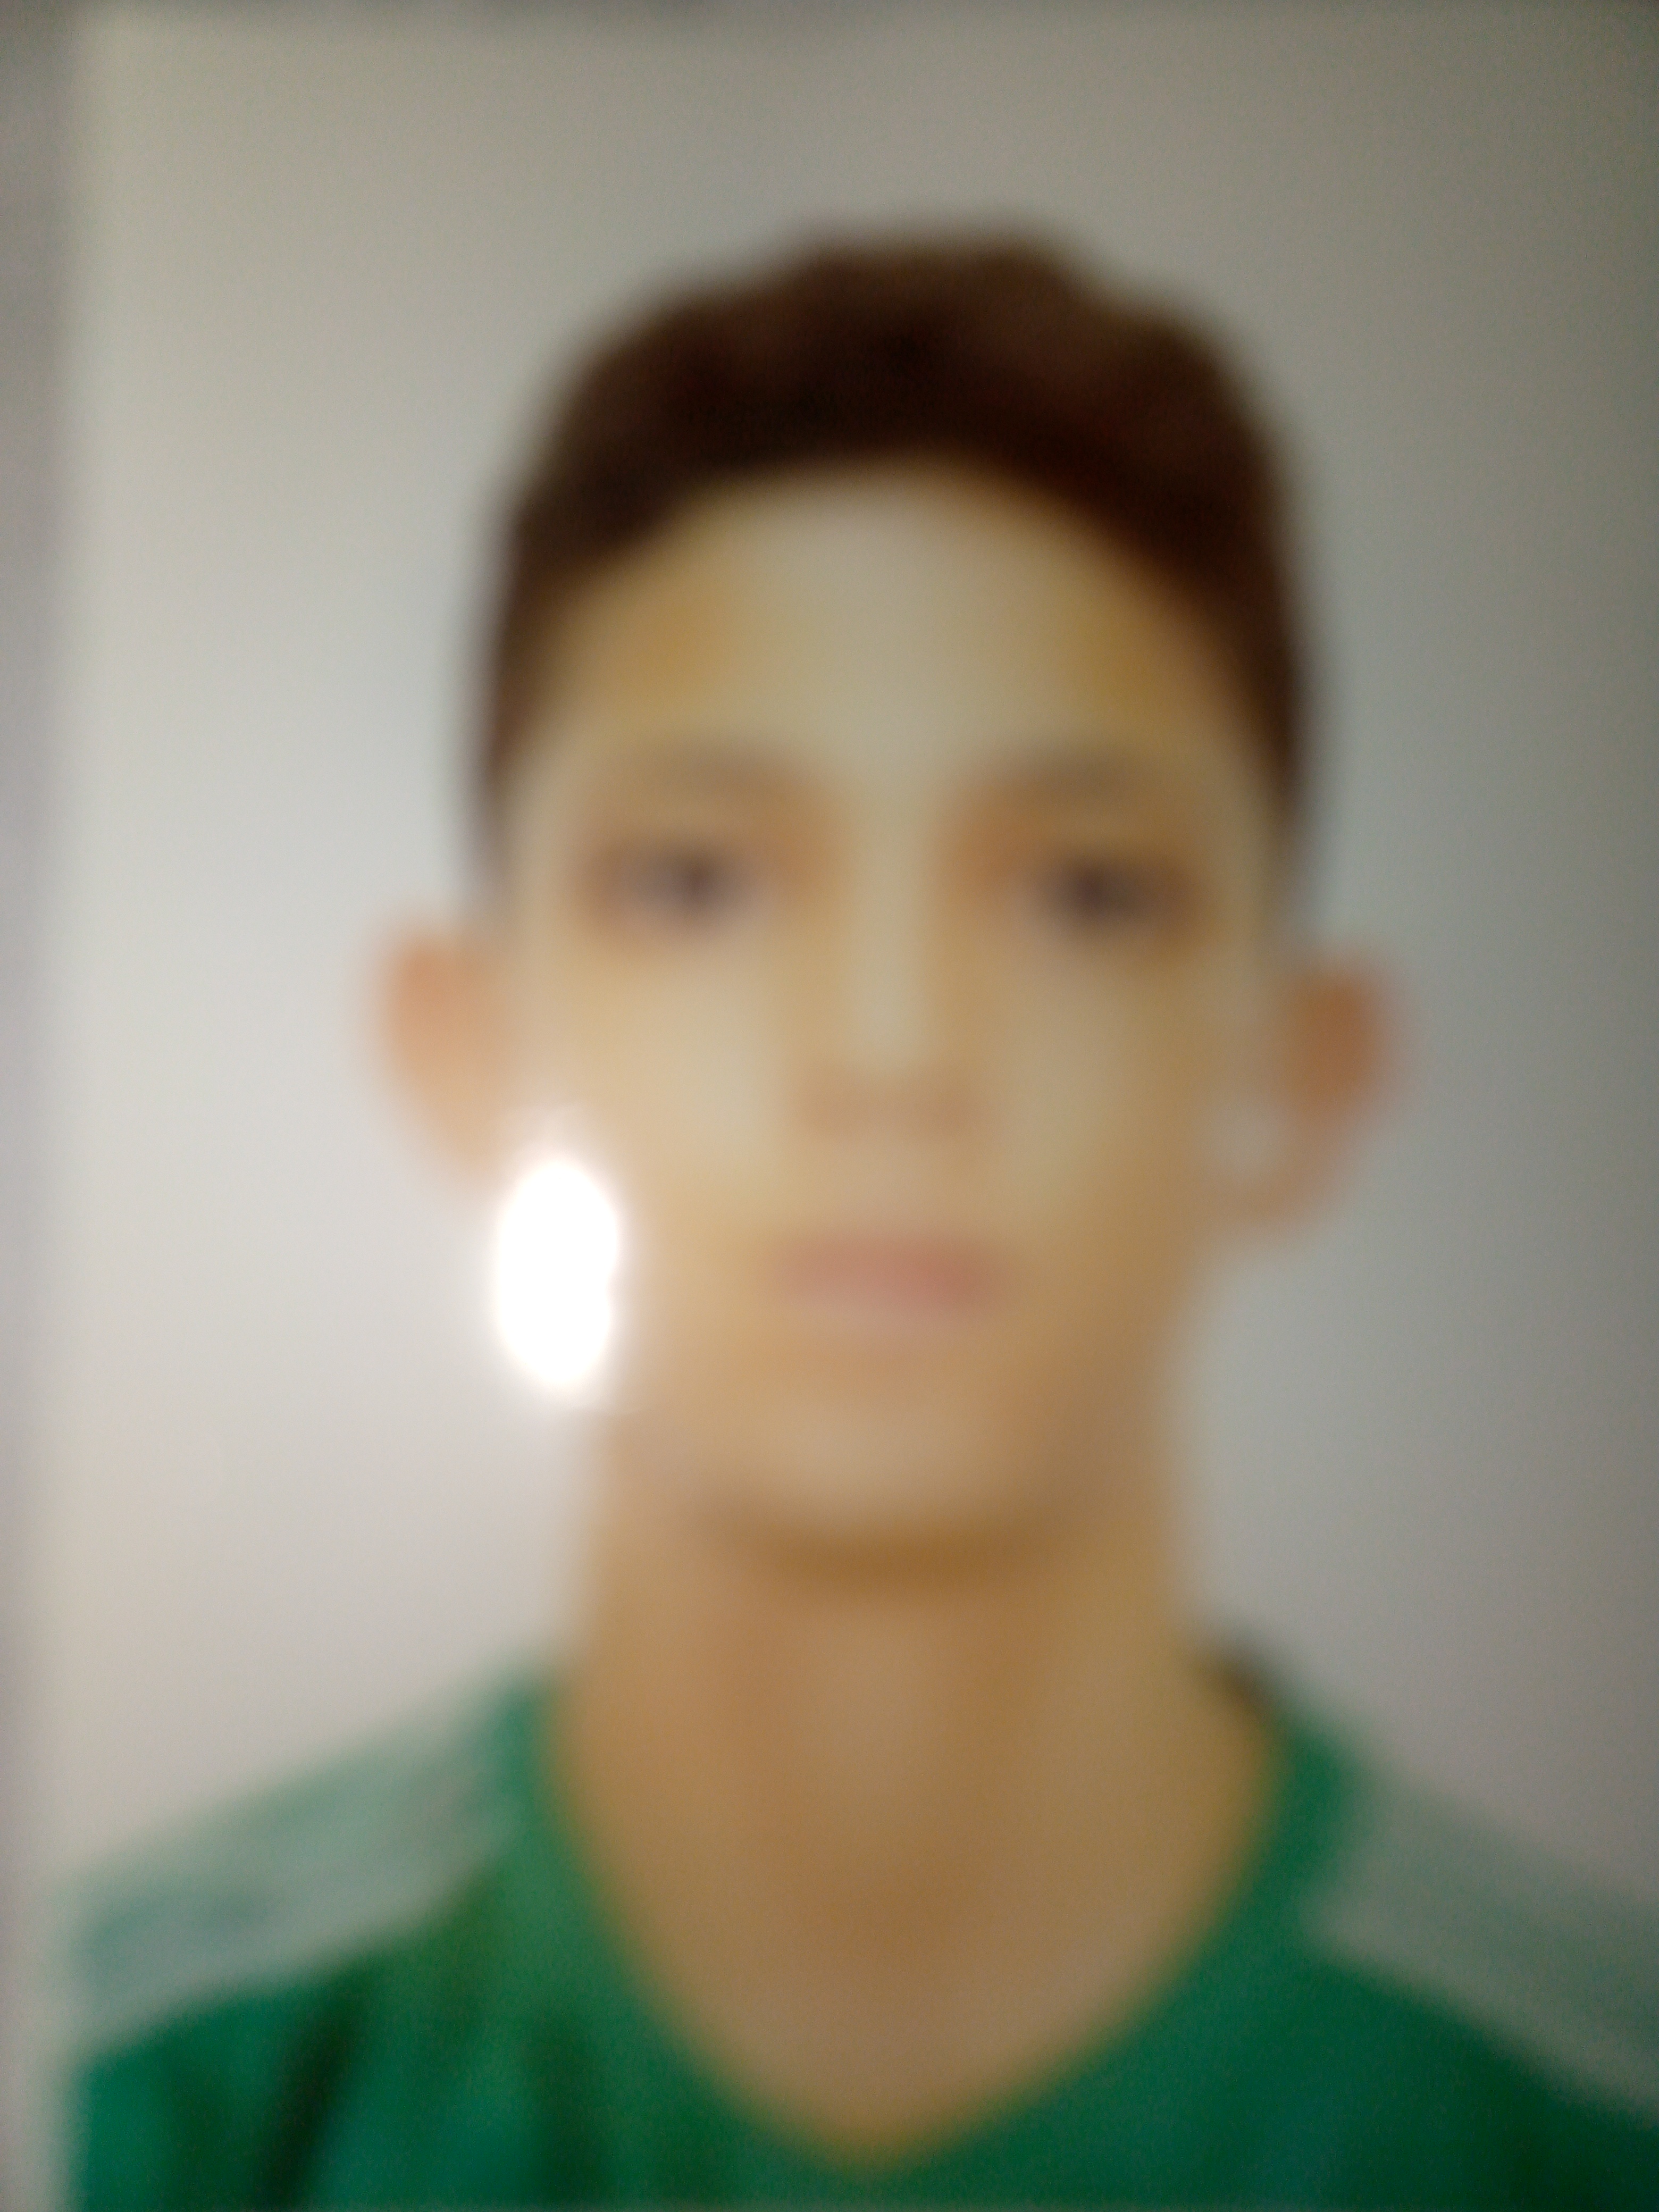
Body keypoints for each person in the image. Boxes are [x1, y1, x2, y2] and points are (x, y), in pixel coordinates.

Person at [68, 237, 1659, 2208]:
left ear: (1299, 1074)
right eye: (697, 883)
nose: (893, 1054)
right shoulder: (113, 2099)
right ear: (463, 1046)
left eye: (1086, 894)